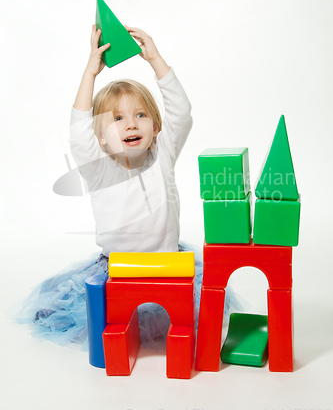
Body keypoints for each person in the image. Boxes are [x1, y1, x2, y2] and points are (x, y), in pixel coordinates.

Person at [12, 25, 241, 350]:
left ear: (156, 126)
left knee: (200, 308)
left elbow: (182, 113)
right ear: (101, 136)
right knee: (79, 310)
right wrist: (91, 71)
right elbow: (78, 130)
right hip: (117, 269)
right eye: (117, 118)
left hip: (167, 265)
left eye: (140, 115)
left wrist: (155, 59)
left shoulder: (162, 154)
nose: (131, 123)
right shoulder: (100, 169)